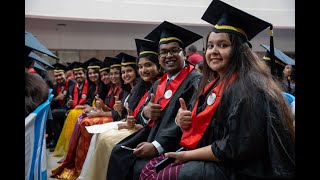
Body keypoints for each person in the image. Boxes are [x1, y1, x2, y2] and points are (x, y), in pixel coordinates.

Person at [140, 0, 295, 179]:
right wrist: (184, 120)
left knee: (163, 174)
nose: (213, 51)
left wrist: (186, 155)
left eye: (223, 45)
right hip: (217, 158)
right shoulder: (214, 84)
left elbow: (234, 147)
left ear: (238, 50)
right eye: (211, 45)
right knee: (150, 169)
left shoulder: (248, 88)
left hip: (238, 169)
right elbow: (211, 130)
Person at [107, 21, 202, 180]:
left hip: (174, 143)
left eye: (174, 50)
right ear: (159, 57)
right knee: (119, 152)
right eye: (164, 52)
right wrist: (145, 112)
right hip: (151, 134)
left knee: (139, 168)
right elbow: (142, 113)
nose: (169, 55)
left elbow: (185, 124)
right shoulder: (159, 83)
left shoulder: (195, 82)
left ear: (184, 54)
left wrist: (157, 146)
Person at [80, 38, 163, 180]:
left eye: (148, 65)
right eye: (141, 67)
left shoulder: (159, 86)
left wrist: (121, 117)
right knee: (99, 136)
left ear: (159, 66)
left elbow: (142, 116)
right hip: (133, 125)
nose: (143, 70)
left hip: (145, 131)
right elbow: (133, 114)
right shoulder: (139, 88)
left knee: (107, 141)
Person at [47, 63, 76, 150]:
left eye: (60, 75)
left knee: (54, 113)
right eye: (56, 76)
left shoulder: (72, 84)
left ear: (65, 75)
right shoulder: (56, 87)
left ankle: (57, 142)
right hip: (60, 109)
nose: (59, 78)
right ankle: (53, 139)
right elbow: (51, 101)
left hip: (70, 109)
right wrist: (57, 98)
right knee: (49, 111)